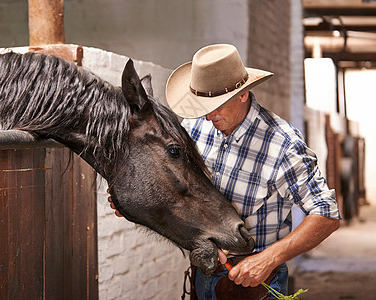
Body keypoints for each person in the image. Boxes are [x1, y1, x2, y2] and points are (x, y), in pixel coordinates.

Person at [110, 44, 340, 299]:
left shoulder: (282, 144)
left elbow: (326, 215)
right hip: (202, 277)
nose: (209, 116)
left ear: (243, 94)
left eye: (217, 104)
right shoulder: (196, 127)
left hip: (257, 286)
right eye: (203, 104)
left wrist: (269, 258)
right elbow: (182, 193)